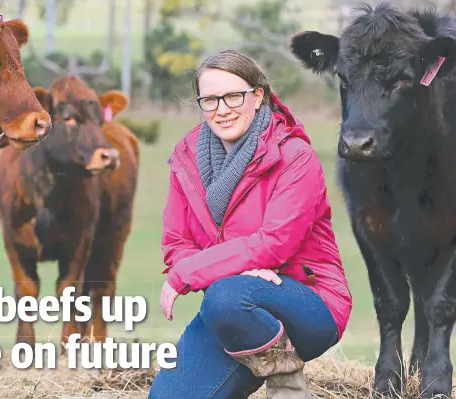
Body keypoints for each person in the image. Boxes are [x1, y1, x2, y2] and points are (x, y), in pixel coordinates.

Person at [148, 50, 353, 399]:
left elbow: (274, 243)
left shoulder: (294, 156)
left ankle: (287, 384)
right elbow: (176, 243)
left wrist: (195, 275)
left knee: (228, 295)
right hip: (229, 307)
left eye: (233, 96)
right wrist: (232, 271)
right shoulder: (187, 157)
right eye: (210, 100)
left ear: (258, 96)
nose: (222, 109)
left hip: (310, 302)